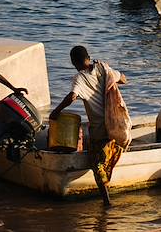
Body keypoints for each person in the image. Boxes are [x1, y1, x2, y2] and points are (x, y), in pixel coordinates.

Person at [49, 46, 130, 206]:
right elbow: (123, 78)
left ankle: (107, 202)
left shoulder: (80, 78)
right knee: (104, 156)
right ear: (88, 56)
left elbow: (72, 96)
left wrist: (56, 111)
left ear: (73, 62)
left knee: (96, 165)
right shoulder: (103, 68)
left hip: (99, 129)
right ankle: (112, 155)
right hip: (114, 124)